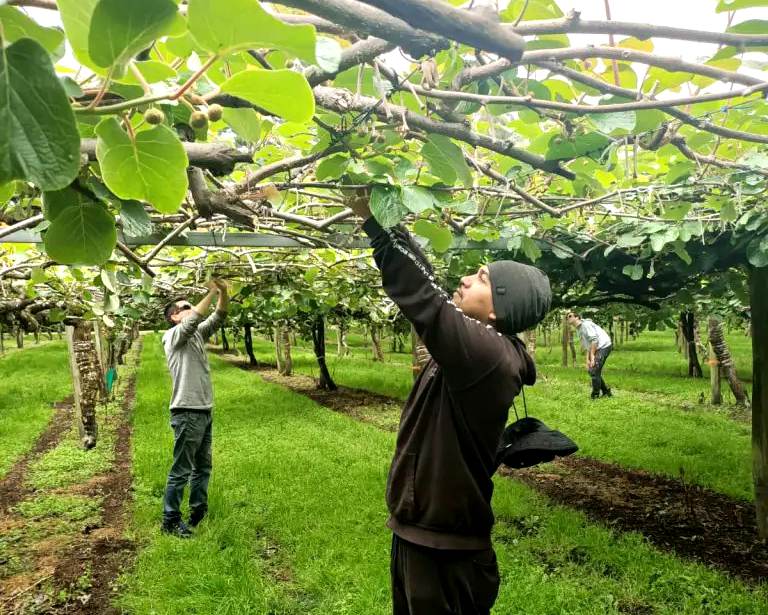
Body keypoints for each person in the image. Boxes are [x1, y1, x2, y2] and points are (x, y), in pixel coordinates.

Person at [348, 193, 551, 615]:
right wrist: (387, 222)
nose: (465, 279)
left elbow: (424, 298)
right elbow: (432, 289)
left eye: (481, 278)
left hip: (443, 551)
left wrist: (374, 221)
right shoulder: (478, 349)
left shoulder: (486, 355)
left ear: (500, 307)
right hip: (424, 537)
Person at [160, 278, 229, 537]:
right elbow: (194, 318)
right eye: (185, 306)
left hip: (203, 409)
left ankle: (198, 511)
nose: (191, 308)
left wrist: (222, 292)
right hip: (187, 411)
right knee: (182, 469)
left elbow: (219, 315)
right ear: (175, 316)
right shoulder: (174, 336)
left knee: (203, 467)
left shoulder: (197, 334)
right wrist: (210, 291)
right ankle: (170, 519)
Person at [566, 311, 613, 399]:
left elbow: (594, 340)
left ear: (577, 317)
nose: (568, 318)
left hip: (604, 346)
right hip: (596, 347)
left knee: (594, 369)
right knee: (593, 370)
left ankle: (595, 395)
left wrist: (592, 357)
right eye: (567, 317)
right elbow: (588, 345)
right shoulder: (579, 329)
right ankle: (606, 392)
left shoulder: (586, 325)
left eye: (570, 316)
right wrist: (587, 360)